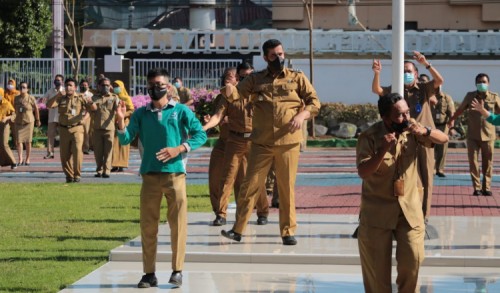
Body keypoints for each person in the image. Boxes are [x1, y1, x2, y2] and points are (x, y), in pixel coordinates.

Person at [220, 39, 320, 245]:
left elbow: (314, 102)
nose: (279, 58)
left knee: (286, 188)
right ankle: (238, 230)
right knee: (250, 186)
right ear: (265, 58)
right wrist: (229, 89)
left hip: (288, 142)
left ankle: (288, 232)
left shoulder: (297, 77)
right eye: (274, 55)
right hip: (261, 143)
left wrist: (302, 116)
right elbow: (237, 95)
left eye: (281, 53)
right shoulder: (256, 79)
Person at [116, 68, 207, 288]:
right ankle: (149, 273)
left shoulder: (181, 111)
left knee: (178, 225)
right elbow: (127, 139)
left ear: (168, 86)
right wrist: (120, 122)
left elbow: (201, 134)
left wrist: (180, 148)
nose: (154, 89)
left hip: (175, 175)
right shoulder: (140, 113)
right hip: (149, 176)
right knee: (148, 226)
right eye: (151, 85)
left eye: (159, 84)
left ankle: (177, 270)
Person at [357, 93, 448, 293]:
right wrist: (382, 150)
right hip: (377, 211)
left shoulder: (413, 128)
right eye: (399, 115)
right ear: (385, 117)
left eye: (407, 112)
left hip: (409, 209)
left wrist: (424, 130)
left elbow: (443, 138)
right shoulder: (370, 136)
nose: (405, 118)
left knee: (413, 260)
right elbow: (363, 172)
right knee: (376, 275)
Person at [372, 51, 443, 222]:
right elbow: (377, 90)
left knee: (426, 177)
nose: (406, 74)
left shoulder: (424, 88)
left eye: (409, 71)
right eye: (403, 71)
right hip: (404, 139)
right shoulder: (396, 89)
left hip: (424, 138)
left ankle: (424, 217)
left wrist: (426, 63)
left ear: (416, 74)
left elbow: (439, 81)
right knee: (405, 175)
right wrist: (377, 73)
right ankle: (405, 214)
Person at [204, 67, 269, 226]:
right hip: (232, 140)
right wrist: (205, 127)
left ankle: (262, 212)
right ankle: (221, 214)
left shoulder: (260, 95)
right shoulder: (227, 96)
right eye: (243, 76)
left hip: (253, 142)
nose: (247, 79)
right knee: (226, 177)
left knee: (254, 179)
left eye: (250, 76)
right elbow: (218, 116)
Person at [447, 73, 500, 196]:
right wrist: (452, 120)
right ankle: (477, 188)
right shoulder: (470, 96)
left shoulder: (494, 97)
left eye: (484, 82)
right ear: (476, 84)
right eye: (479, 82)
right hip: (473, 135)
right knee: (473, 162)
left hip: (489, 135)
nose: (482, 84)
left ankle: (486, 187)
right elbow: (460, 109)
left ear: (488, 83)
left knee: (488, 163)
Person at [46, 78, 91, 183]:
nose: (68, 87)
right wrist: (57, 96)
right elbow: (48, 105)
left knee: (77, 151)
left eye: (70, 85)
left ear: (75, 87)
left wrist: (84, 119)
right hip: (63, 129)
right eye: (66, 85)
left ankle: (77, 175)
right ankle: (69, 175)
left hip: (77, 128)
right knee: (64, 155)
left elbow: (92, 109)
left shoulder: (81, 97)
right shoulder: (60, 98)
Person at [89, 78, 119, 178]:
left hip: (109, 128)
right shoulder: (94, 97)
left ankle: (107, 170)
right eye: (103, 85)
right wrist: (90, 104)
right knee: (98, 151)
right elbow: (91, 110)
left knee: (108, 150)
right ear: (98, 86)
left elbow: (118, 110)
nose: (105, 87)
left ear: (110, 86)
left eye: (107, 85)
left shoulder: (114, 97)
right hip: (97, 128)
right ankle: (99, 170)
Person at [13, 82, 40, 166]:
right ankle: (20, 158)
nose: (22, 89)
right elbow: (14, 109)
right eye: (20, 87)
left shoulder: (31, 98)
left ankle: (28, 158)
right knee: (19, 141)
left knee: (28, 141)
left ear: (27, 89)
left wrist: (37, 119)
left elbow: (36, 109)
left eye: (24, 87)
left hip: (28, 122)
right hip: (18, 122)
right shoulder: (16, 98)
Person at [111, 80, 134, 172]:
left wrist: (122, 115)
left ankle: (122, 164)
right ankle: (115, 164)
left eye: (117, 86)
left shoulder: (126, 98)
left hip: (124, 122)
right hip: (114, 122)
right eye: (114, 86)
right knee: (114, 144)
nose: (115, 88)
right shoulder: (112, 97)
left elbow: (131, 110)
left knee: (123, 143)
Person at [41, 74, 65, 159]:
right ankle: (50, 152)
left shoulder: (64, 91)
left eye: (59, 80)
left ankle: (64, 153)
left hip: (62, 117)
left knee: (63, 136)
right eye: (56, 80)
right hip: (52, 117)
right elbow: (44, 102)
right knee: (50, 135)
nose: (57, 81)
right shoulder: (50, 91)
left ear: (62, 81)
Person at [432, 87, 455, 177]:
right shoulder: (429, 96)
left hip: (443, 125)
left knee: (442, 148)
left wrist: (451, 127)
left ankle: (440, 169)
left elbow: (451, 112)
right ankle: (432, 169)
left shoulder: (447, 98)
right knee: (431, 148)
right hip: (432, 125)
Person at [0, 87, 17, 169]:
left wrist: (6, 118)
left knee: (4, 143)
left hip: (4, 125)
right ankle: (2, 162)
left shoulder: (6, 103)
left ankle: (13, 162)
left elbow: (14, 114)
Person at [79, 79, 93, 155]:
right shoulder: (77, 94)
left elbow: (92, 107)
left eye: (85, 85)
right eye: (82, 85)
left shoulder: (90, 95)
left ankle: (86, 148)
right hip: (78, 115)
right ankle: (79, 147)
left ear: (88, 86)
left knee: (86, 132)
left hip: (87, 115)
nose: (84, 86)